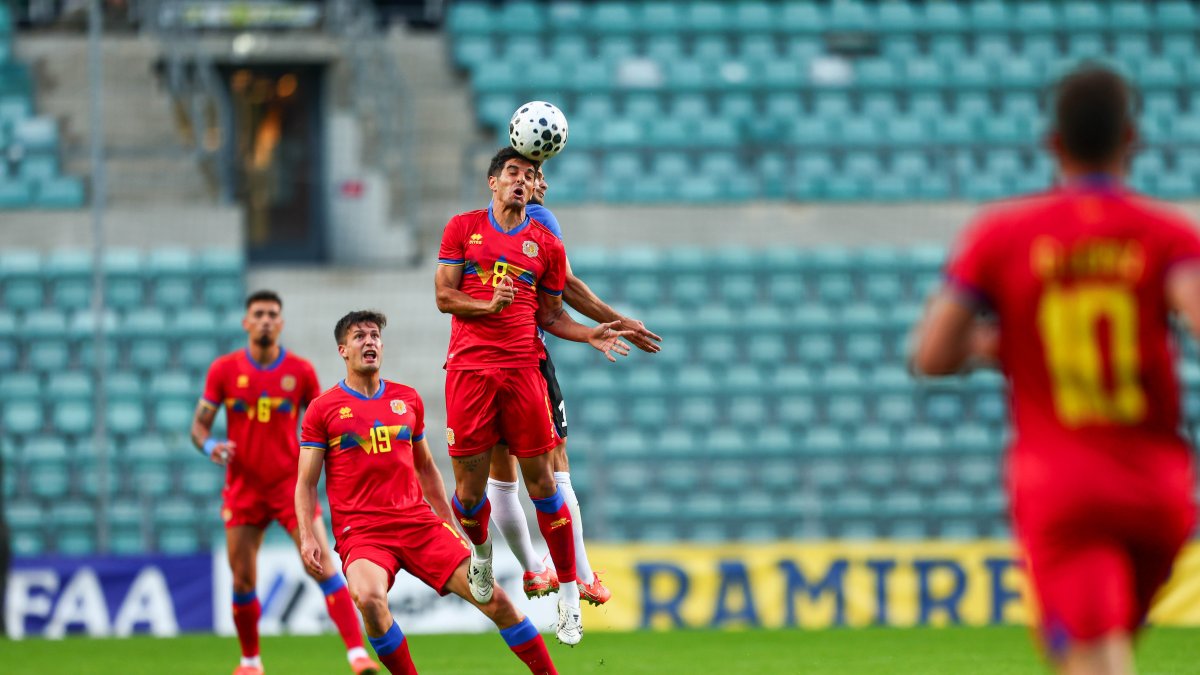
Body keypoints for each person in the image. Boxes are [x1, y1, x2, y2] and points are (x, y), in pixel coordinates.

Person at [911, 64, 1200, 675]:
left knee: (1090, 657)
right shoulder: (1168, 234)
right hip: (1157, 488)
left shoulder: (1002, 234)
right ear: (1131, 141)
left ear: (1053, 144)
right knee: (1092, 647)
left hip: (1063, 484)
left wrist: (1006, 344)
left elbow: (932, 355)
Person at [435, 147, 633, 645]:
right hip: (469, 373)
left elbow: (549, 315)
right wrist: (487, 302)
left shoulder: (544, 243)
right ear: (492, 182)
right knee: (468, 493)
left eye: (531, 175)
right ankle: (482, 558)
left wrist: (589, 333)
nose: (523, 182)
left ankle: (569, 597)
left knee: (544, 482)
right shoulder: (462, 228)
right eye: (514, 174)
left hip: (523, 373)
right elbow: (443, 296)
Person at [296, 311, 557, 675]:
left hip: (419, 524)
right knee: (370, 601)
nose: (369, 341)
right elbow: (306, 483)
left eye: (374, 336)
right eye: (359, 337)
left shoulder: (407, 400)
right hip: (364, 532)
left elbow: (426, 469)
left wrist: (452, 527)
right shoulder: (323, 410)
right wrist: (308, 536)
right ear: (343, 350)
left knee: (496, 600)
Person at [486, 166, 662, 604]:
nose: (542, 184)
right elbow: (565, 288)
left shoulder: (475, 226)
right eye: (534, 173)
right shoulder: (540, 221)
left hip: (476, 363)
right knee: (553, 461)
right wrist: (615, 320)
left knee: (499, 470)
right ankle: (579, 574)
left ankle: (531, 568)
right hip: (525, 360)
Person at [192, 290, 378, 675]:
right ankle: (250, 661)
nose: (264, 320)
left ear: (280, 323)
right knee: (243, 577)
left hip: (288, 485)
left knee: (323, 565)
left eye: (271, 314)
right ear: (246, 322)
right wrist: (210, 444)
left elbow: (325, 418)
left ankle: (357, 655)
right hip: (242, 487)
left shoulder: (300, 371)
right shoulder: (223, 370)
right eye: (257, 314)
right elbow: (199, 427)